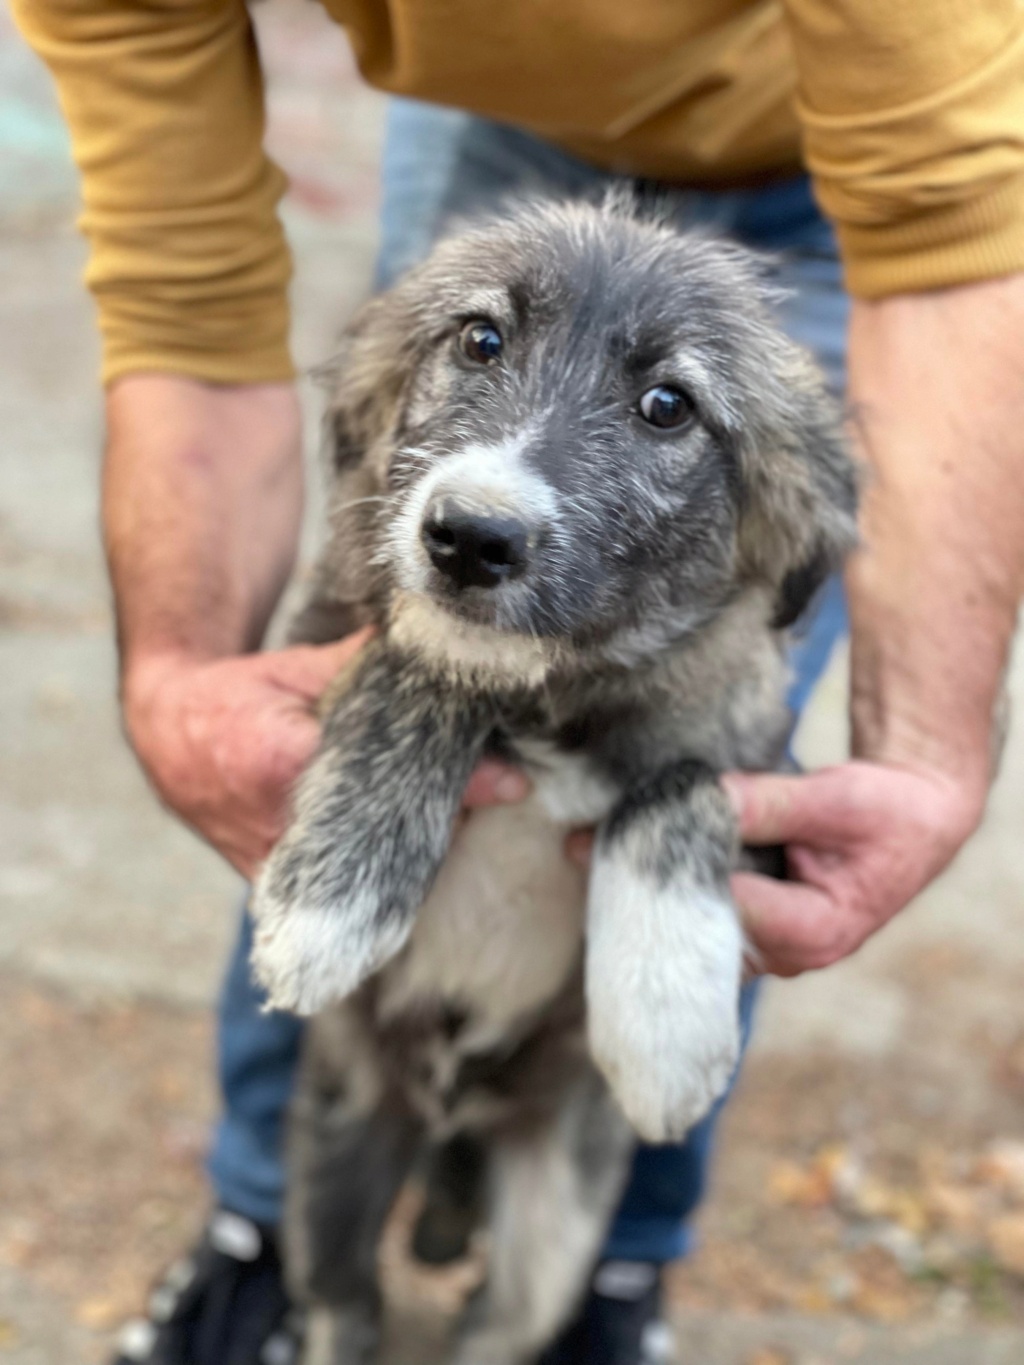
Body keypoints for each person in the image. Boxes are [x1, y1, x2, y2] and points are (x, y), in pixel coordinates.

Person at [14, 3, 1024, 1362]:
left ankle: (611, 1275)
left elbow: (954, 239)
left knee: (720, 789)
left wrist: (924, 752)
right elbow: (181, 286)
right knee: (312, 736)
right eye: (479, 349)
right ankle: (265, 1232)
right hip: (508, 116)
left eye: (662, 417)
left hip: (867, 137)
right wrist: (182, 684)